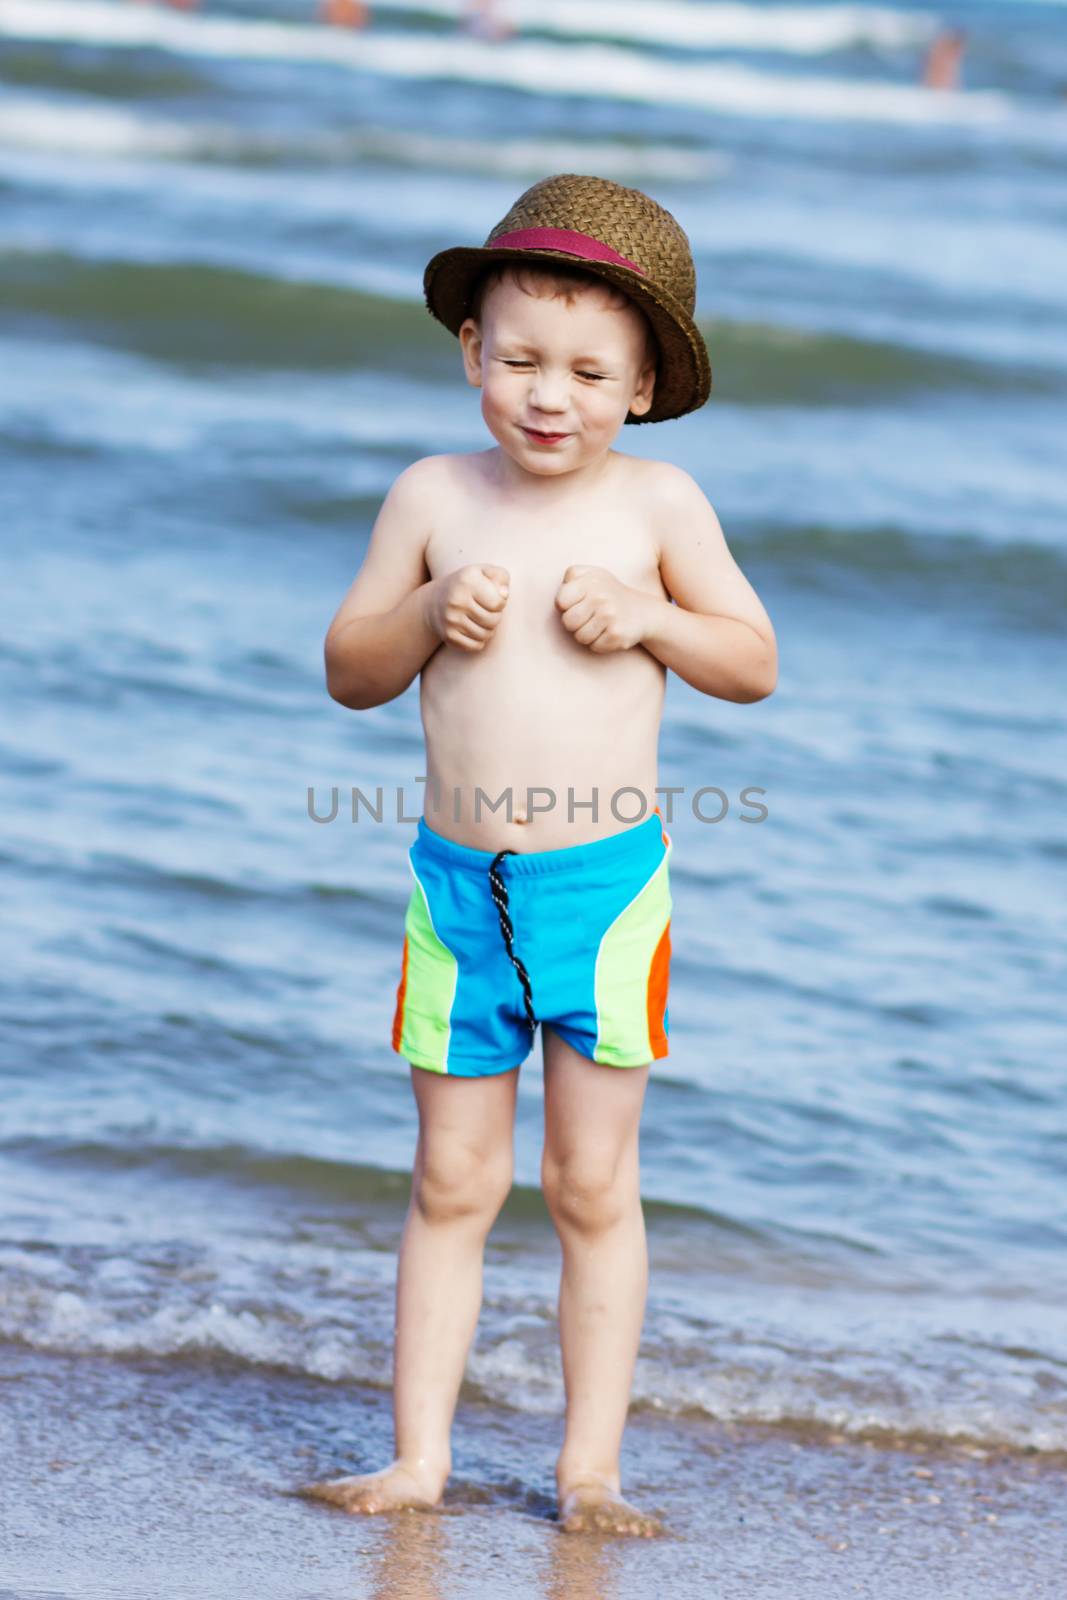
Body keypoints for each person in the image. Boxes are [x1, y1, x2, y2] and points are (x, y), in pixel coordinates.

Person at [301, 173, 777, 1537]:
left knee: (589, 1183)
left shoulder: (663, 506)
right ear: (471, 353)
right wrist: (430, 610)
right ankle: (418, 1460)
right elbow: (349, 669)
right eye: (518, 360)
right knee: (453, 1180)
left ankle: (588, 1470)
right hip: (459, 894)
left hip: (603, 895)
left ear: (639, 386)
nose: (547, 394)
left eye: (584, 370)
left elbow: (752, 661)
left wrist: (647, 617)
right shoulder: (432, 496)